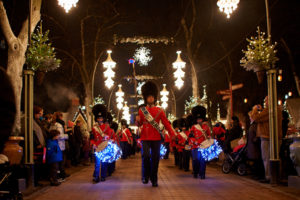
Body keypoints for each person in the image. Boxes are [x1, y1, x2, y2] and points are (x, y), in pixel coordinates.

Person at [136, 81, 175, 187]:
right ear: (146, 98)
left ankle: (154, 178)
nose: (150, 99)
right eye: (148, 97)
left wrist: (172, 134)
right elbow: (139, 124)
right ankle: (146, 175)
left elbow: (166, 123)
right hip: (145, 136)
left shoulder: (160, 110)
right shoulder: (141, 110)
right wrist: (138, 120)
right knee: (145, 156)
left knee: (155, 158)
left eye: (152, 97)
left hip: (156, 137)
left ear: (154, 98)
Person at [250, 96, 282, 183]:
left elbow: (255, 118)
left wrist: (254, 109)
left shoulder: (269, 110)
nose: (265, 102)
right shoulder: (276, 110)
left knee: (266, 158)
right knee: (273, 157)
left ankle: (269, 177)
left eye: (266, 100)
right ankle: (274, 176)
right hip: (272, 136)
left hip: (267, 137)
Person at [91, 104, 112, 183]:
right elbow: (92, 138)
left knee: (103, 163)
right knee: (97, 164)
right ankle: (96, 177)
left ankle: (103, 176)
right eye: (98, 118)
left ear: (103, 118)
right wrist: (93, 143)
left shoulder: (107, 127)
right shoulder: (94, 128)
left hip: (104, 146)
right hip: (97, 146)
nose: (100, 119)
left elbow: (109, 136)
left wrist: (106, 137)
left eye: (101, 118)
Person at [189, 105, 211, 179]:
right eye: (198, 119)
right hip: (195, 146)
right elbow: (191, 136)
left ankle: (202, 174)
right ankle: (195, 172)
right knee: (196, 160)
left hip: (203, 146)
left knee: (203, 161)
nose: (199, 120)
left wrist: (208, 137)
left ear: (202, 119)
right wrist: (194, 141)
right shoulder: (193, 127)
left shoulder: (206, 127)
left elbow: (209, 135)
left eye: (200, 119)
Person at [50, 113, 69, 180]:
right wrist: (67, 136)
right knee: (60, 161)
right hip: (60, 145)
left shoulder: (52, 125)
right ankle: (61, 174)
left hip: (55, 144)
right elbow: (60, 135)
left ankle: (59, 174)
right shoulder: (59, 125)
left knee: (57, 162)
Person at [247, 109, 264, 180]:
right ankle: (256, 174)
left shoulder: (255, 125)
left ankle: (258, 174)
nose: (249, 118)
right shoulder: (253, 125)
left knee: (257, 161)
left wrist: (254, 140)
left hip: (254, 145)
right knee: (255, 161)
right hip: (252, 145)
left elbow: (257, 135)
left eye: (250, 117)